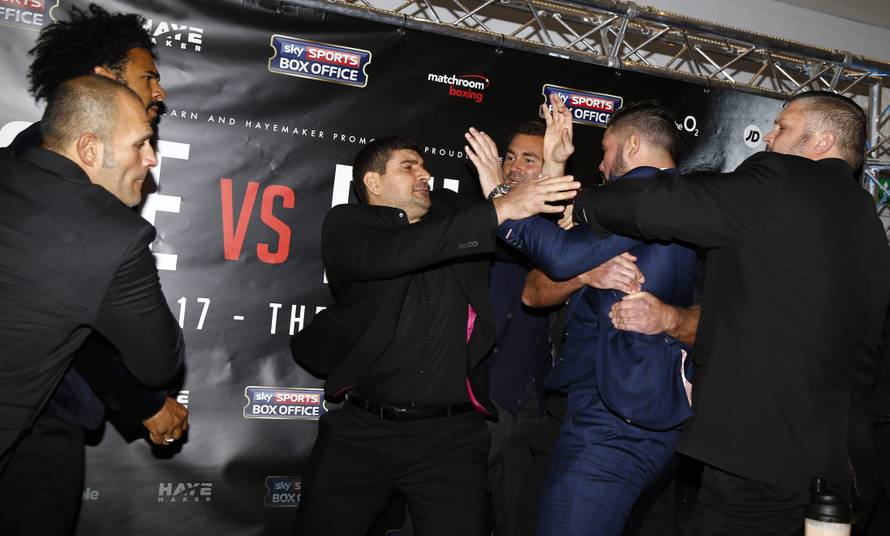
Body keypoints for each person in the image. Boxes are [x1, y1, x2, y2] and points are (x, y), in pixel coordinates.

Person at [573, 90, 890, 535]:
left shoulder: (783, 176)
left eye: (783, 127)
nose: (768, 138)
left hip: (761, 455)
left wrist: (583, 205)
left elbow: (668, 204)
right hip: (839, 468)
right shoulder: (867, 218)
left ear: (821, 142)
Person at [290, 136, 578, 535]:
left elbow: (523, 242)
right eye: (408, 166)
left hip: (450, 438)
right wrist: (497, 208)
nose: (425, 173)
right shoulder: (349, 225)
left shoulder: (452, 213)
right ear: (373, 183)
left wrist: (554, 167)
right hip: (363, 431)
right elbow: (393, 253)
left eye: (424, 165)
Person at [478, 96, 697, 536]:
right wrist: (556, 166)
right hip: (655, 418)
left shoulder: (636, 197)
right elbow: (538, 286)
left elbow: (559, 256)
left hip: (615, 420)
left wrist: (500, 195)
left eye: (607, 152)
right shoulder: (695, 206)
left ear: (632, 147)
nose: (600, 166)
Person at [0, 75, 184, 535]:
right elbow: (158, 362)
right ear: (89, 149)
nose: (152, 158)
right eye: (141, 143)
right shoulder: (115, 236)